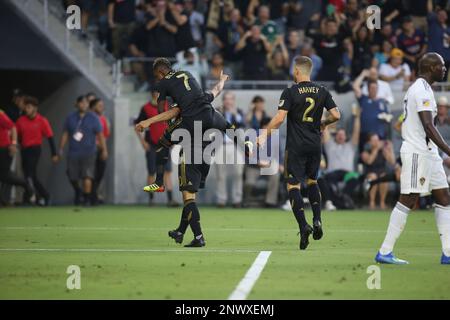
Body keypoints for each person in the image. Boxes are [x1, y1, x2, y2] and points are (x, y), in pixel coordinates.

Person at [135, 58, 249, 248]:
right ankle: (180, 231)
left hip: (192, 154)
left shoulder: (172, 96)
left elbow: (167, 111)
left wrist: (149, 122)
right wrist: (222, 80)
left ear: (160, 74)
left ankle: (160, 184)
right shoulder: (203, 98)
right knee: (188, 196)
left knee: (164, 148)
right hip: (206, 156)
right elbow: (217, 94)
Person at [256, 56, 341, 250]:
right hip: (314, 145)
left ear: (297, 71)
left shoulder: (290, 91)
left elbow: (279, 118)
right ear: (309, 71)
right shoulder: (322, 90)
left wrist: (262, 137)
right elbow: (336, 114)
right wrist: (324, 123)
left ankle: (304, 227)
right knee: (312, 182)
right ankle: (317, 219)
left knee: (293, 186)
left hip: (295, 146)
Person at [375, 52, 450, 265]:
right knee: (409, 198)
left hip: (430, 154)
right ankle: (384, 251)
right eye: (441, 65)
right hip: (418, 152)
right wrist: (448, 149)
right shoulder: (421, 89)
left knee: (444, 198)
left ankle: (448, 253)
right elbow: (428, 125)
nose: (444, 69)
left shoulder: (424, 88)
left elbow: (428, 126)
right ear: (431, 67)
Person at [59, 96, 108, 206]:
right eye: (81, 103)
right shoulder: (70, 117)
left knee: (87, 175)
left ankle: (86, 199)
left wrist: (104, 150)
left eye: (86, 103)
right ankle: (78, 191)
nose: (84, 105)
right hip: (74, 151)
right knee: (72, 175)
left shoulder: (94, 118)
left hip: (89, 152)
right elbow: (65, 133)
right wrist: (61, 149)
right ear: (77, 104)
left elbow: (101, 135)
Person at [134, 91, 178, 207]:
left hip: (165, 144)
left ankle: (170, 199)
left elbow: (174, 123)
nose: (158, 94)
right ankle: (151, 199)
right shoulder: (146, 108)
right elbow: (137, 125)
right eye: (156, 92)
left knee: (167, 171)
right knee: (152, 171)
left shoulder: (168, 106)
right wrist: (143, 142)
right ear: (152, 94)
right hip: (152, 144)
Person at [15, 96, 58, 206]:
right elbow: (17, 136)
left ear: (35, 108)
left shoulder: (42, 121)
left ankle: (29, 197)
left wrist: (54, 153)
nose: (26, 110)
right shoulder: (20, 121)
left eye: (29, 107)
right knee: (30, 176)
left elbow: (50, 137)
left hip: (35, 150)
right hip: (24, 150)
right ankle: (43, 196)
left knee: (29, 174)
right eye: (26, 107)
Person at [215, 91, 245, 208]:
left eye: (230, 99)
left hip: (235, 146)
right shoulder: (217, 111)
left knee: (238, 173)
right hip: (220, 145)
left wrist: (235, 114)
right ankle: (221, 200)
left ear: (233, 101)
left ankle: (237, 199)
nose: (228, 101)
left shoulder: (239, 112)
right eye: (226, 99)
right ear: (223, 100)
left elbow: (242, 125)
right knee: (220, 175)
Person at [0, 109, 33, 205]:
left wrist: (14, 144)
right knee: (4, 175)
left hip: (4, 148)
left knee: (5, 176)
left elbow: (13, 127)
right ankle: (3, 200)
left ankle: (26, 185)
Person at [353, 72, 392, 149]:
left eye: (375, 88)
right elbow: (355, 86)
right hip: (365, 135)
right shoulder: (363, 99)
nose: (374, 90)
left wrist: (386, 118)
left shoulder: (382, 101)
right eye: (372, 88)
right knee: (364, 156)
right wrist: (363, 75)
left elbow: (388, 117)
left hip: (379, 136)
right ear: (368, 89)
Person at [361, 134, 396, 210]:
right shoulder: (365, 152)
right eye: (374, 140)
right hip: (370, 173)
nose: (376, 142)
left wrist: (390, 149)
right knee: (373, 177)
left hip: (381, 172)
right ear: (370, 142)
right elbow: (370, 161)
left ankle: (382, 202)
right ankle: (372, 202)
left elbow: (392, 162)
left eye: (377, 140)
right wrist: (376, 149)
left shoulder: (383, 150)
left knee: (383, 177)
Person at [90, 98, 110, 205]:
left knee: (100, 173)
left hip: (100, 149)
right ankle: (90, 197)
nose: (102, 107)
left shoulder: (103, 119)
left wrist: (104, 150)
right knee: (89, 175)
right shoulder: (88, 119)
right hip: (90, 150)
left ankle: (94, 195)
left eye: (102, 105)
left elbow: (105, 136)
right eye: (99, 105)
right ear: (93, 107)